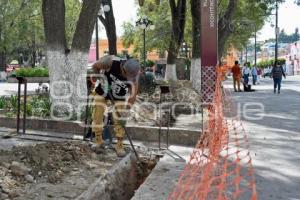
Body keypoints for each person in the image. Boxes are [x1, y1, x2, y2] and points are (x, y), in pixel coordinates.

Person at [90, 55, 140, 157]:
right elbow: (95, 66)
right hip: (103, 90)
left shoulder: (135, 75)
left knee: (119, 119)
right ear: (123, 68)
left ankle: (119, 145)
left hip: (119, 95)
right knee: (97, 113)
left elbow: (132, 96)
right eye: (126, 76)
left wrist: (125, 112)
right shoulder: (111, 61)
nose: (128, 79)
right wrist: (101, 77)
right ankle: (98, 141)